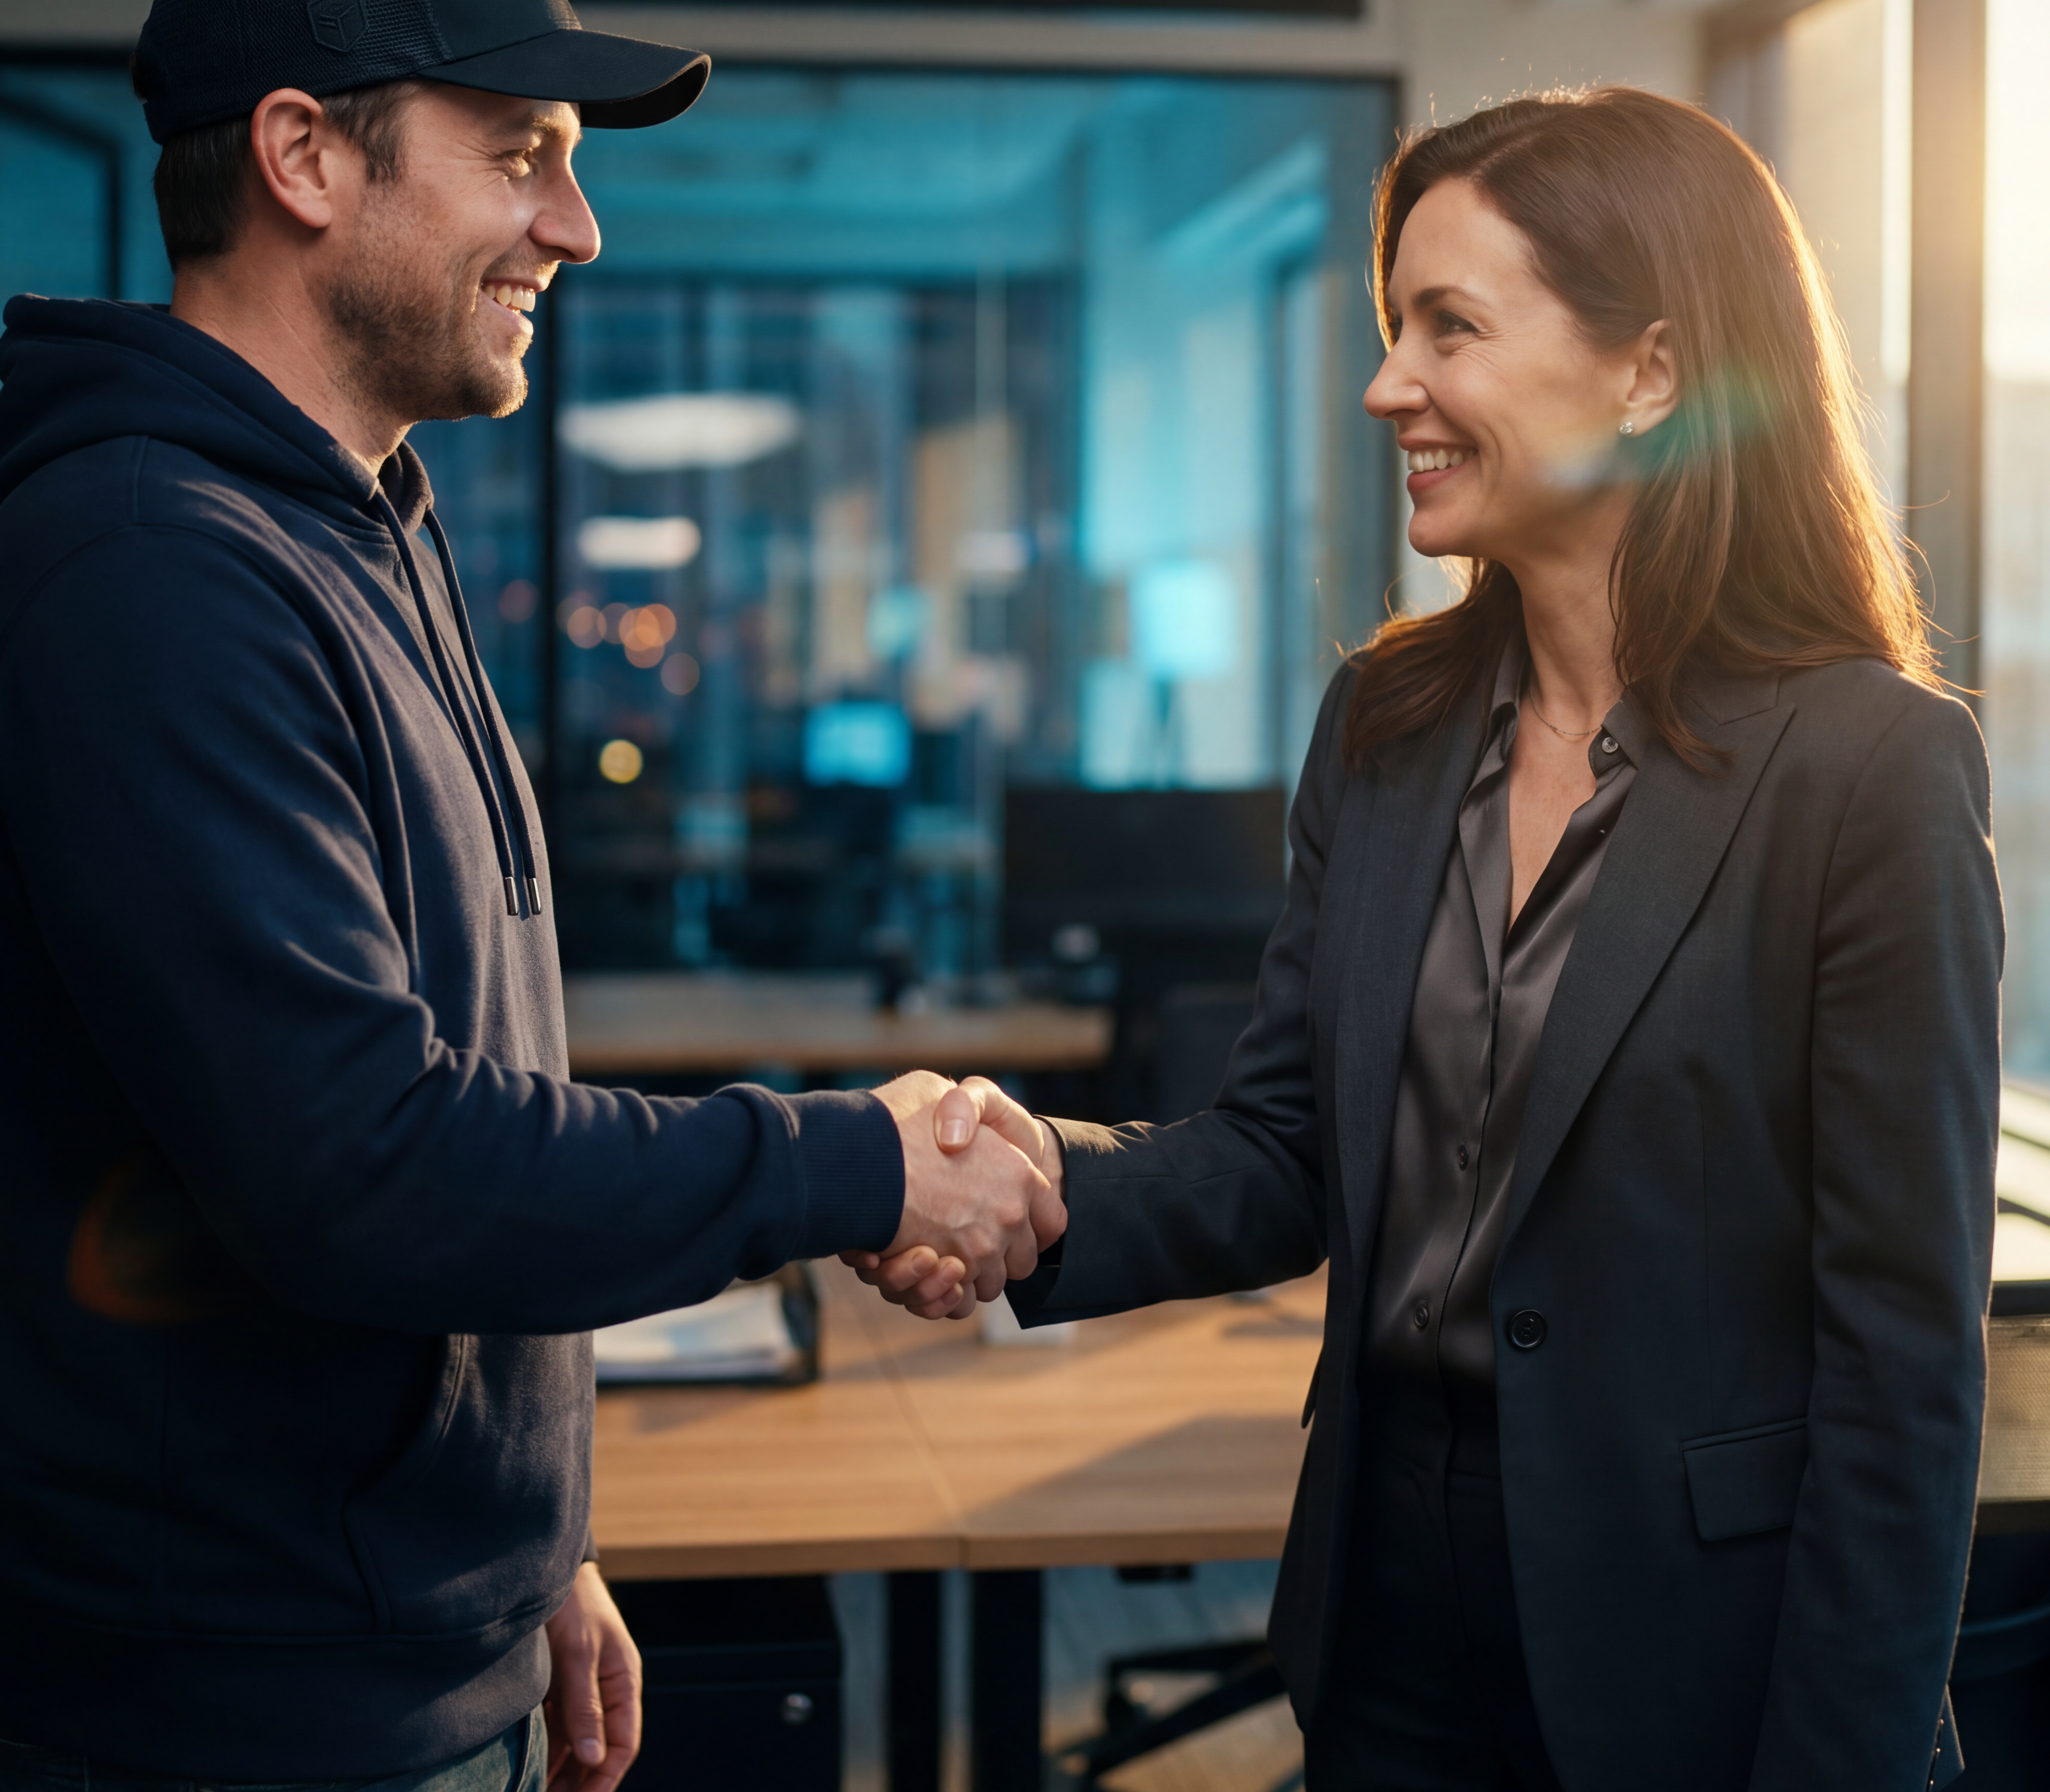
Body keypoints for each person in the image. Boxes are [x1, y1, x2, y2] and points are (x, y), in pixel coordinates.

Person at [0, 0, 1059, 1790]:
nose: (580, 224)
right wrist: (851, 1164)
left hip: (395, 1629)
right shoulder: (151, 573)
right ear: (303, 155)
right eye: (522, 149)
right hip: (252, 1716)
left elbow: (428, 1088)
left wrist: (526, 1540)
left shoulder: (351, 520)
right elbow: (363, 1162)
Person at [856, 88, 2001, 1792]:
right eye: (1397, 330)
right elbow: (1284, 1151)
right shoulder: (1390, 724)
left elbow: (1902, 1370)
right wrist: (1026, 1189)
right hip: (1386, 1610)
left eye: (1448, 327)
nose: (1392, 385)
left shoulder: (1864, 769)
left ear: (1653, 372)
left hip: (1699, 1649)